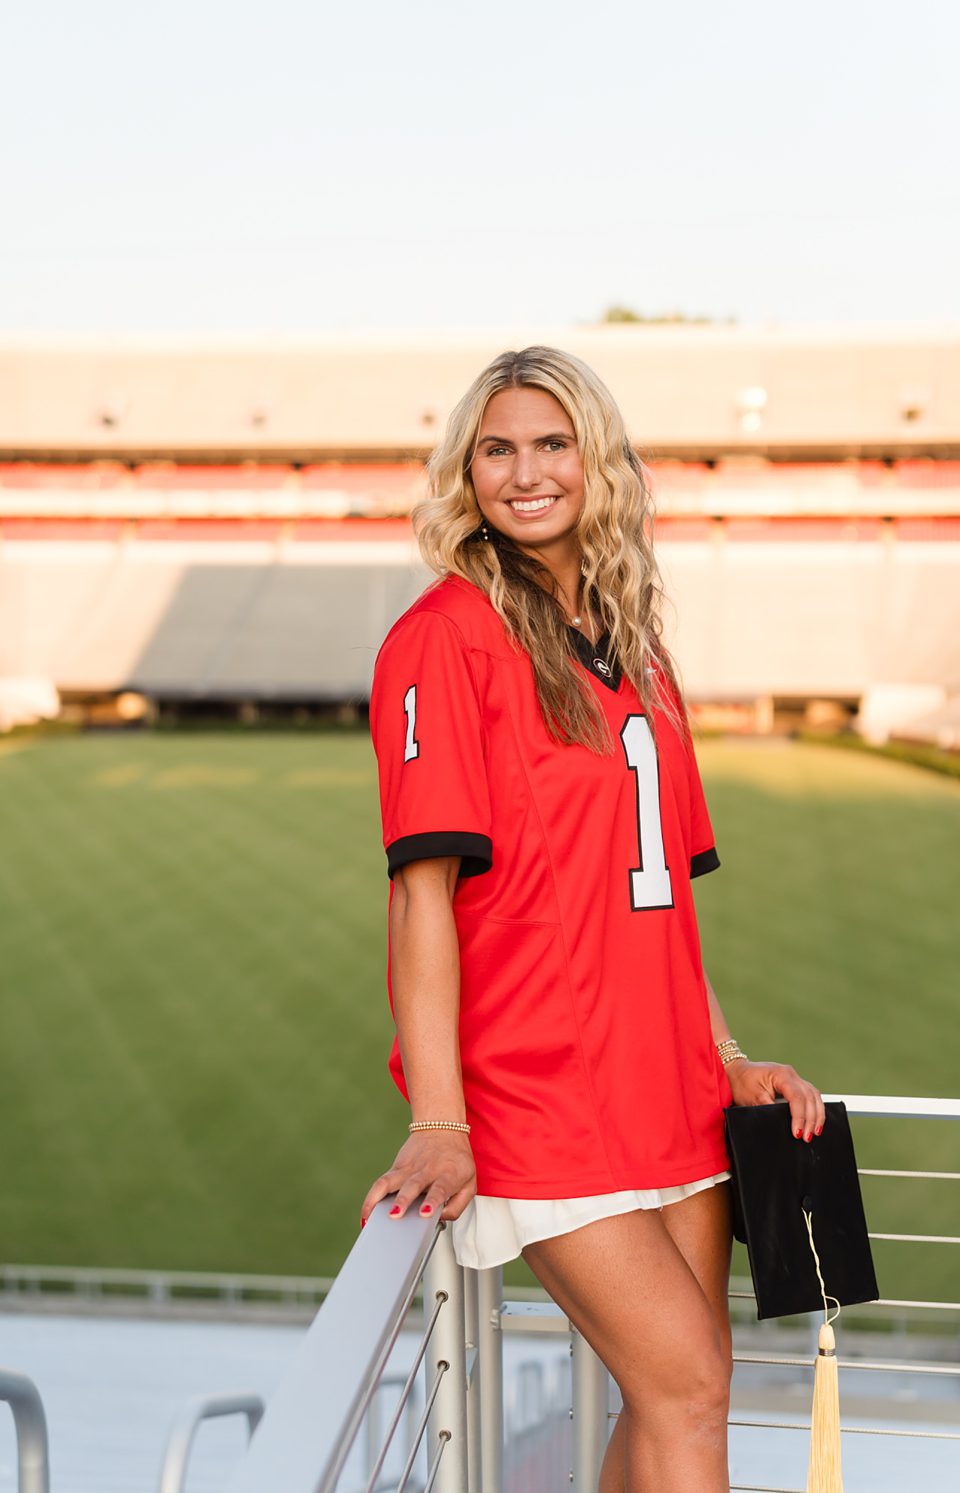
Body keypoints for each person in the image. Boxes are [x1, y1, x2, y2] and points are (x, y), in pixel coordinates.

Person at [359, 347, 825, 1492]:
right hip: (541, 1088)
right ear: (465, 471)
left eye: (551, 443)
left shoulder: (637, 647)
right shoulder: (444, 635)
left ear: (595, 459)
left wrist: (726, 1056)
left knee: (674, 1390)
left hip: (668, 1083)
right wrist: (440, 1117)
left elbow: (658, 890)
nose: (525, 472)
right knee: (689, 1391)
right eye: (496, 448)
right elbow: (420, 893)